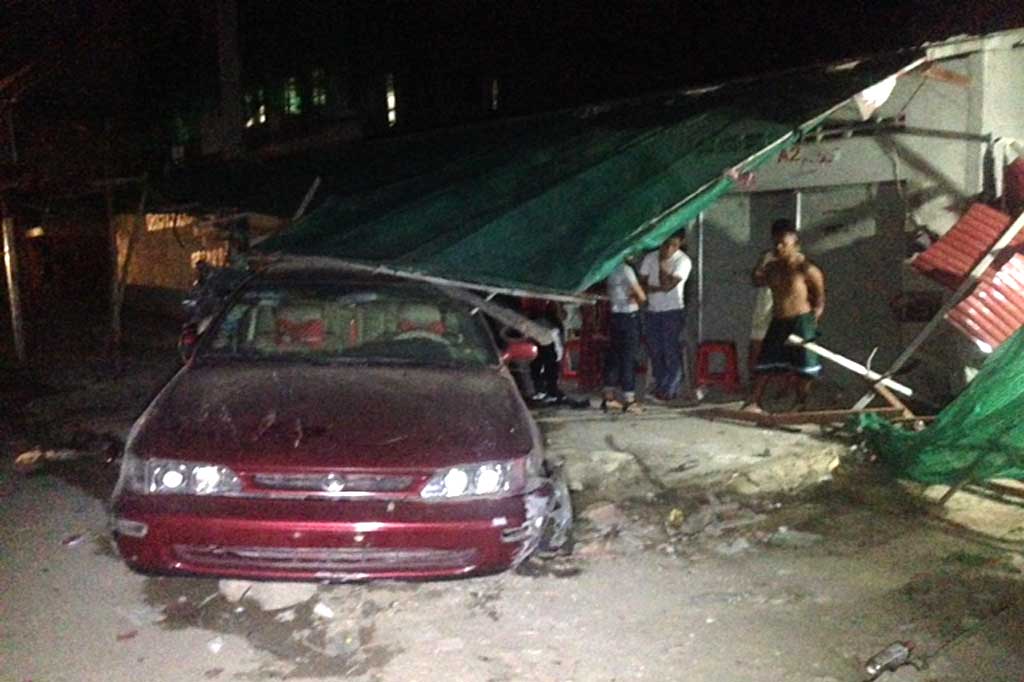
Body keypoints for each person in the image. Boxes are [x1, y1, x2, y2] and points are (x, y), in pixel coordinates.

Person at [744, 221, 826, 412]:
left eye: (784, 244)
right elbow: (757, 280)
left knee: (804, 365)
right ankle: (753, 402)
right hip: (778, 320)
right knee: (766, 361)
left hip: (801, 320)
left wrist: (813, 320)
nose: (779, 247)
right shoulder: (772, 267)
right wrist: (761, 262)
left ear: (795, 244)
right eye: (776, 244)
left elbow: (820, 299)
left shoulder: (806, 269)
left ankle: (801, 403)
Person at [639, 230, 692, 401]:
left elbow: (668, 285)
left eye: (674, 245)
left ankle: (670, 388)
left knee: (670, 349)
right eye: (666, 244)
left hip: (672, 311)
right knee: (655, 350)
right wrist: (656, 289)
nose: (669, 249)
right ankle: (660, 383)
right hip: (653, 310)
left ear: (680, 244)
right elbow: (641, 285)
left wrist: (662, 264)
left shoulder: (683, 261)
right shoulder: (650, 257)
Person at [601, 258, 647, 413]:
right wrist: (638, 295)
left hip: (615, 316)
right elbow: (641, 296)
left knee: (614, 356)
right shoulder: (626, 270)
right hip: (629, 316)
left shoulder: (608, 268)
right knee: (628, 357)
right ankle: (629, 399)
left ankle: (609, 397)